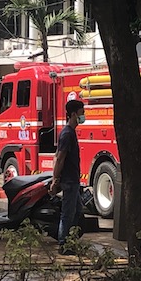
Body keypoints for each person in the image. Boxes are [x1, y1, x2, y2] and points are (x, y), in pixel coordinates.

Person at [51, 99, 85, 253]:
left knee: (77, 211)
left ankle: (70, 240)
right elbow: (60, 157)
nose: (83, 116)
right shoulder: (67, 134)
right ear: (73, 114)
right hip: (69, 181)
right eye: (81, 113)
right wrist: (55, 179)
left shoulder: (70, 133)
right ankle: (64, 244)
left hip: (74, 180)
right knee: (68, 213)